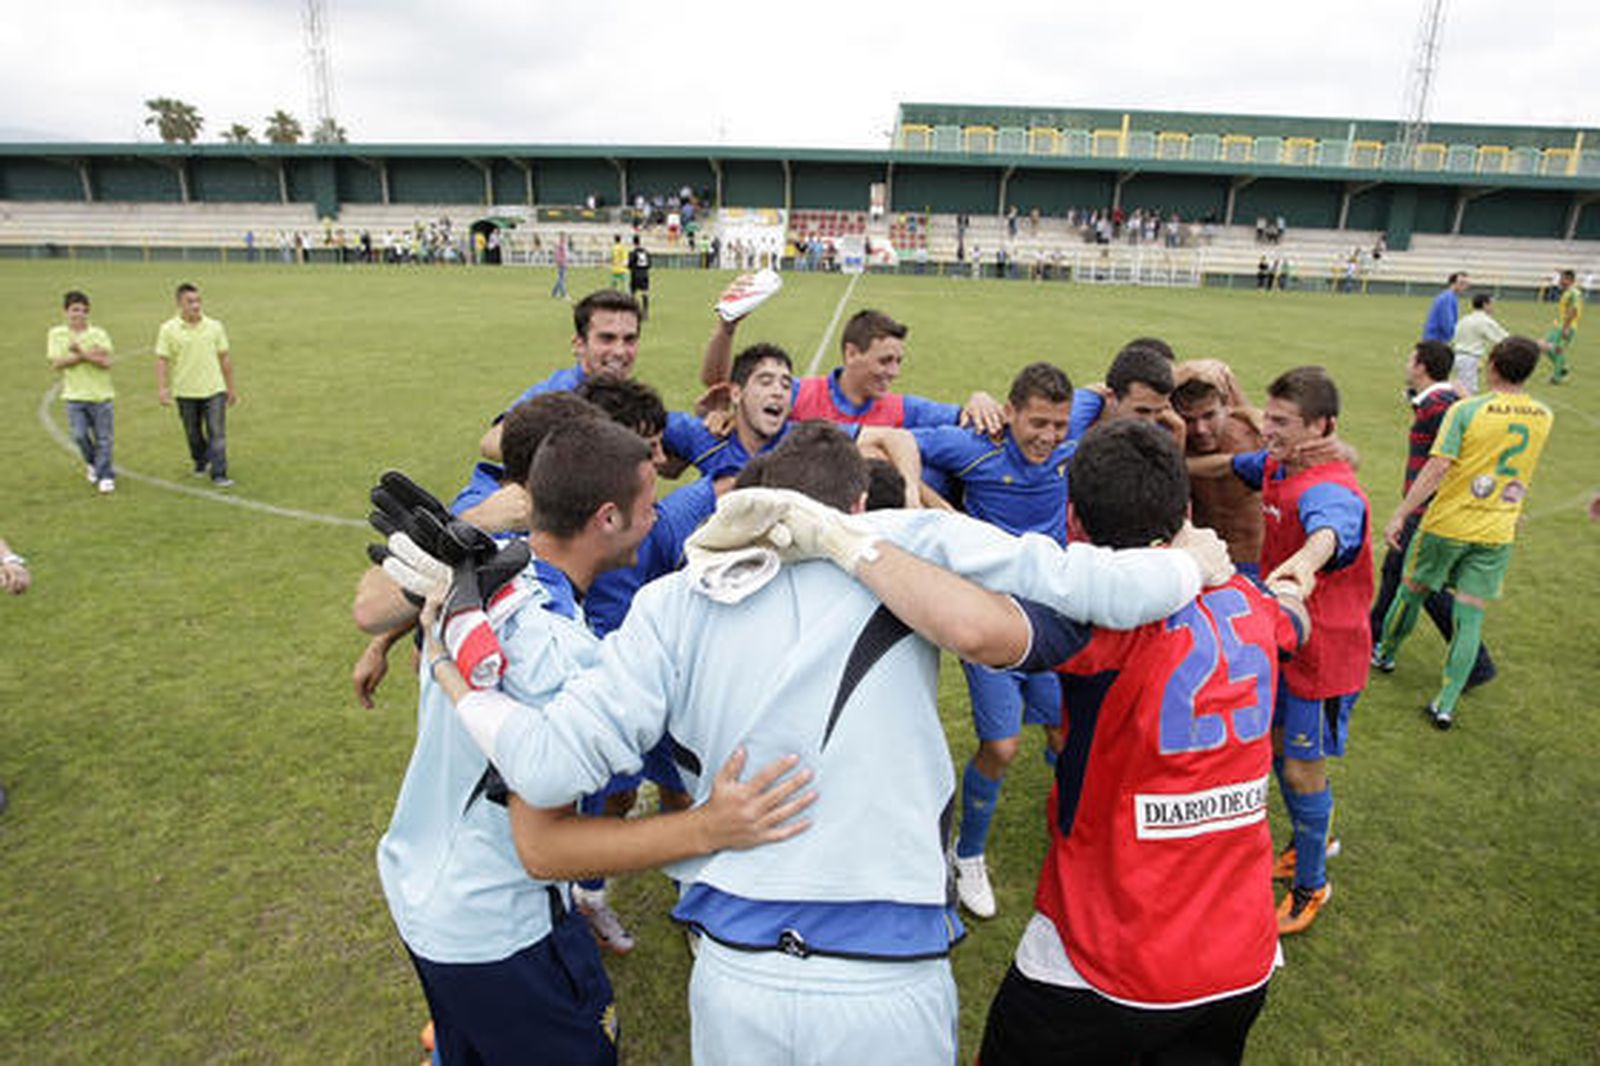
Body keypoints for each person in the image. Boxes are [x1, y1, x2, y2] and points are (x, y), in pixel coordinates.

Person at [422, 423, 1225, 1064]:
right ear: (855, 500)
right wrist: (1192, 563)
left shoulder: (668, 602)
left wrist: (457, 678)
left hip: (734, 976)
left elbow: (545, 764)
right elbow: (1102, 587)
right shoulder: (902, 540)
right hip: (885, 980)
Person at [796, 419, 1303, 1065]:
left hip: (1102, 958)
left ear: (1075, 523)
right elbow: (1294, 618)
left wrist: (846, 540)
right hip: (1241, 957)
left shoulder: (1103, 625)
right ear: (1184, 510)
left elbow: (977, 630)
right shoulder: (1252, 603)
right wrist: (1296, 581)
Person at [365, 419, 813, 1065]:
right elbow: (544, 847)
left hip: (431, 892)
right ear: (608, 518)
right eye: (649, 503)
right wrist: (709, 828)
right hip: (493, 926)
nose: (658, 515)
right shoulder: (557, 653)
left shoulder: (501, 579)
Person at [1191, 367, 1373, 934]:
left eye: (1283, 422)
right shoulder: (1276, 464)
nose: (1268, 429)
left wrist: (1306, 563)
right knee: (1274, 750)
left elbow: (1331, 527)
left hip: (1325, 655)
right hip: (1284, 639)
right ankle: (1306, 844)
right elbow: (1229, 465)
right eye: (1267, 417)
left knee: (1299, 768)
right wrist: (1166, 464)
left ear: (1323, 426)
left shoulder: (1328, 487)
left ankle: (1312, 884)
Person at [907, 362, 1078, 918]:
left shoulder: (1068, 450)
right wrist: (939, 509)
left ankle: (1078, 832)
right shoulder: (971, 449)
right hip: (991, 625)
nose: (1048, 437)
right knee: (1002, 747)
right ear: (1008, 413)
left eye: (1058, 425)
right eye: (1037, 423)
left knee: (1065, 734)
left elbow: (1113, 395)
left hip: (1054, 623)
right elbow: (894, 442)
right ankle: (968, 853)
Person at [1374, 337, 1553, 729]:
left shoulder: (1466, 410)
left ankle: (1385, 653)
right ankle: (1445, 704)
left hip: (1448, 523)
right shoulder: (1543, 414)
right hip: (1497, 529)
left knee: (1411, 591)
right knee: (1470, 615)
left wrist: (1401, 513)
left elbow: (1437, 467)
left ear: (1491, 364)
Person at [1369, 341, 1496, 693]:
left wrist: (1406, 510)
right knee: (1394, 572)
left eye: (1411, 359)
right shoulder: (1442, 401)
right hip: (1428, 509)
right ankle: (1374, 636)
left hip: (1430, 513)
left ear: (1422, 366)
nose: (1407, 364)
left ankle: (1477, 664)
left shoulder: (1439, 406)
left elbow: (1450, 459)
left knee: (1426, 586)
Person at [701, 294, 1006, 435]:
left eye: (899, 362)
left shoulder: (904, 409)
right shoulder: (798, 392)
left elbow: (964, 418)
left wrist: (979, 398)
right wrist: (726, 330)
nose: (894, 373)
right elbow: (721, 384)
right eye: (885, 361)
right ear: (851, 354)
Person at [480, 291, 643, 462]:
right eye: (607, 339)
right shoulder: (557, 393)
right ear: (579, 345)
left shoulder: (633, 396)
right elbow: (491, 443)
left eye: (629, 339)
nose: (619, 351)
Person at [1170, 360, 1264, 574]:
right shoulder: (1175, 443)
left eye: (1209, 416)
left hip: (1255, 563)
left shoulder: (1255, 438)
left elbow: (1341, 460)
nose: (1201, 429)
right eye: (1189, 419)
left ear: (1227, 408)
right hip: (1205, 567)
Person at [154, 283, 238, 487]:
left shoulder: (214, 326)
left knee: (217, 432)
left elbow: (224, 357)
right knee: (193, 433)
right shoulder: (168, 329)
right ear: (179, 304)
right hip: (185, 390)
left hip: (214, 389)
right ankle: (201, 460)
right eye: (190, 302)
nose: (195, 306)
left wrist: (231, 387)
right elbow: (162, 360)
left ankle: (219, 473)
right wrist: (163, 388)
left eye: (198, 301)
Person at [46, 290, 117, 494]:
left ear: (88, 311)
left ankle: (105, 476)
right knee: (79, 435)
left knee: (104, 438)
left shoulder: (99, 334)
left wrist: (78, 353)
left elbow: (105, 362)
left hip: (101, 395)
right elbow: (58, 363)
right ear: (66, 311)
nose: (78, 314)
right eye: (74, 310)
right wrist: (86, 355)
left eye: (82, 310)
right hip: (74, 396)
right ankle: (93, 463)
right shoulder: (56, 334)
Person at [1451, 292, 1508, 394]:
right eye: (1491, 304)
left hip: (1457, 357)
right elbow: (1503, 339)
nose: (1492, 307)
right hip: (1470, 358)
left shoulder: (1464, 319)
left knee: (1459, 388)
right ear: (1485, 305)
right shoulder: (1485, 321)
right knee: (1468, 391)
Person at [1544, 269, 1583, 383]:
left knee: (1557, 349)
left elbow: (1573, 310)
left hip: (1567, 327)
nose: (1560, 281)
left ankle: (1557, 377)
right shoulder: (1567, 292)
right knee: (1546, 346)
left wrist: (1566, 328)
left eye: (1562, 278)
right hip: (1559, 326)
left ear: (1569, 280)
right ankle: (1563, 367)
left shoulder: (1574, 293)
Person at [1422, 272, 1471, 344]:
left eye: (1466, 284)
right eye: (1461, 283)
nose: (1464, 286)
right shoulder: (1447, 298)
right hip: (1435, 341)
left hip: (1439, 339)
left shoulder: (1452, 297)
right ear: (1453, 283)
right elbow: (1446, 323)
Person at [626, 235, 651, 321]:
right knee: (645, 293)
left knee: (633, 294)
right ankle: (645, 313)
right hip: (645, 275)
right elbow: (649, 264)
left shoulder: (633, 253)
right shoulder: (645, 252)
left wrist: (630, 267)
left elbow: (629, 265)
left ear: (633, 242)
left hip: (635, 275)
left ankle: (634, 312)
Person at [551, 232, 569, 300]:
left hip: (562, 263)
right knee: (562, 279)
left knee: (560, 279)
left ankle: (554, 292)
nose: (564, 238)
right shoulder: (561, 246)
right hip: (562, 263)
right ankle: (564, 294)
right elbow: (561, 255)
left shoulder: (560, 245)